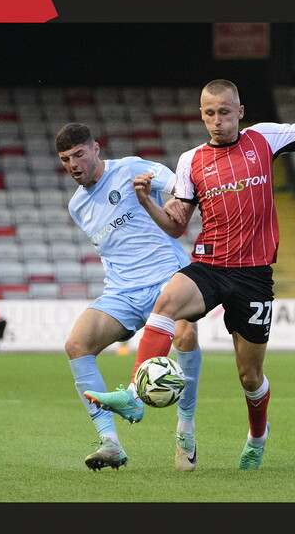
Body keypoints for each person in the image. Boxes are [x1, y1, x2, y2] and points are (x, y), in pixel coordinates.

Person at [106, 77, 295, 470]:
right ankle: (133, 391)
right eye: (210, 114)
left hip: (253, 276)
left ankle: (257, 435)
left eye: (225, 112)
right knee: (166, 303)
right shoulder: (190, 161)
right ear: (201, 115)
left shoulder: (264, 139)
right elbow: (178, 224)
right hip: (210, 265)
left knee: (250, 377)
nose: (217, 121)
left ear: (240, 112)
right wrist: (147, 201)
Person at [55, 122, 203, 472]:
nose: (73, 164)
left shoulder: (132, 168)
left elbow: (184, 187)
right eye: (65, 159)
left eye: (78, 154)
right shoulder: (77, 206)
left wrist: (170, 207)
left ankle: (185, 428)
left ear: (96, 148)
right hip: (122, 291)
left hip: (169, 279)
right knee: (77, 344)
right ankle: (110, 443)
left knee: (185, 335)